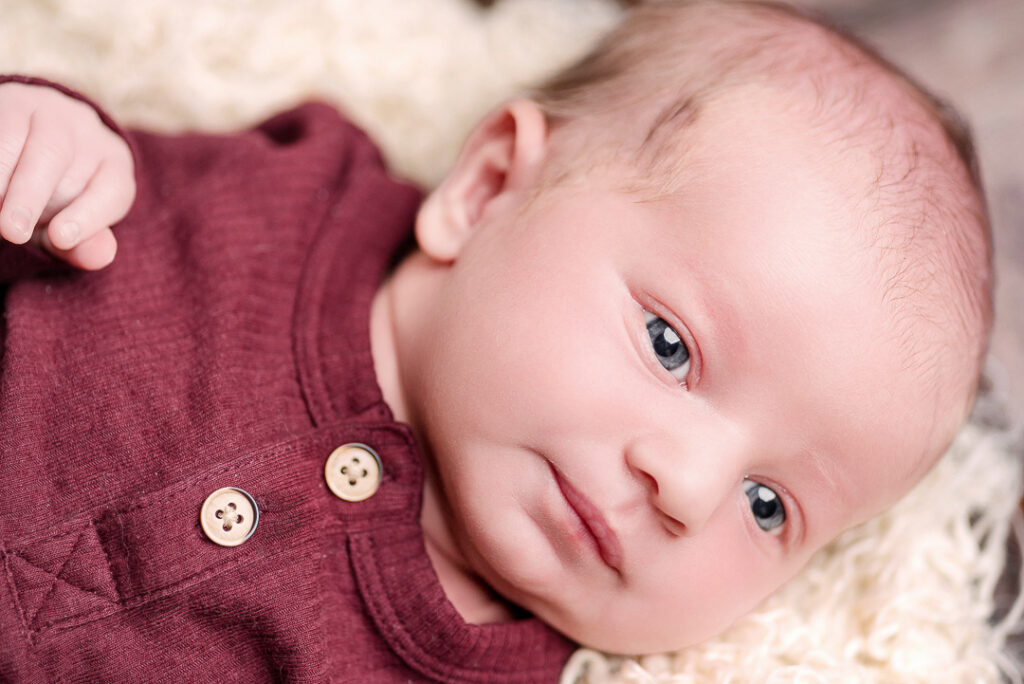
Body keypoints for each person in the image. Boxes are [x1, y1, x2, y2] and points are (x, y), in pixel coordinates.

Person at [0, 0, 991, 680]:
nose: (685, 489)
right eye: (669, 345)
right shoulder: (281, 196)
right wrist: (45, 143)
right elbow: (66, 201)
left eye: (768, 505)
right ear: (484, 193)